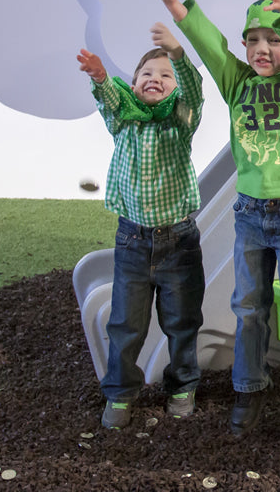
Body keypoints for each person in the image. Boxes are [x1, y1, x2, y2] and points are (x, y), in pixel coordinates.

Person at [138, 0, 280, 440]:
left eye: (274, 39)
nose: (262, 49)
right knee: (248, 306)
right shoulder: (237, 83)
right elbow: (208, 46)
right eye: (253, 40)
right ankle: (248, 388)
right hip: (250, 217)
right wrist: (173, 3)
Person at [77, 22, 206, 430]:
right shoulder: (123, 121)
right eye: (147, 74)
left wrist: (178, 55)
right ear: (134, 86)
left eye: (165, 75)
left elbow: (195, 92)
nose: (156, 79)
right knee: (126, 325)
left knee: (182, 322)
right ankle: (120, 392)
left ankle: (182, 385)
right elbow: (110, 99)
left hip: (179, 242)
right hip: (132, 242)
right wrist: (100, 78)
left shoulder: (180, 121)